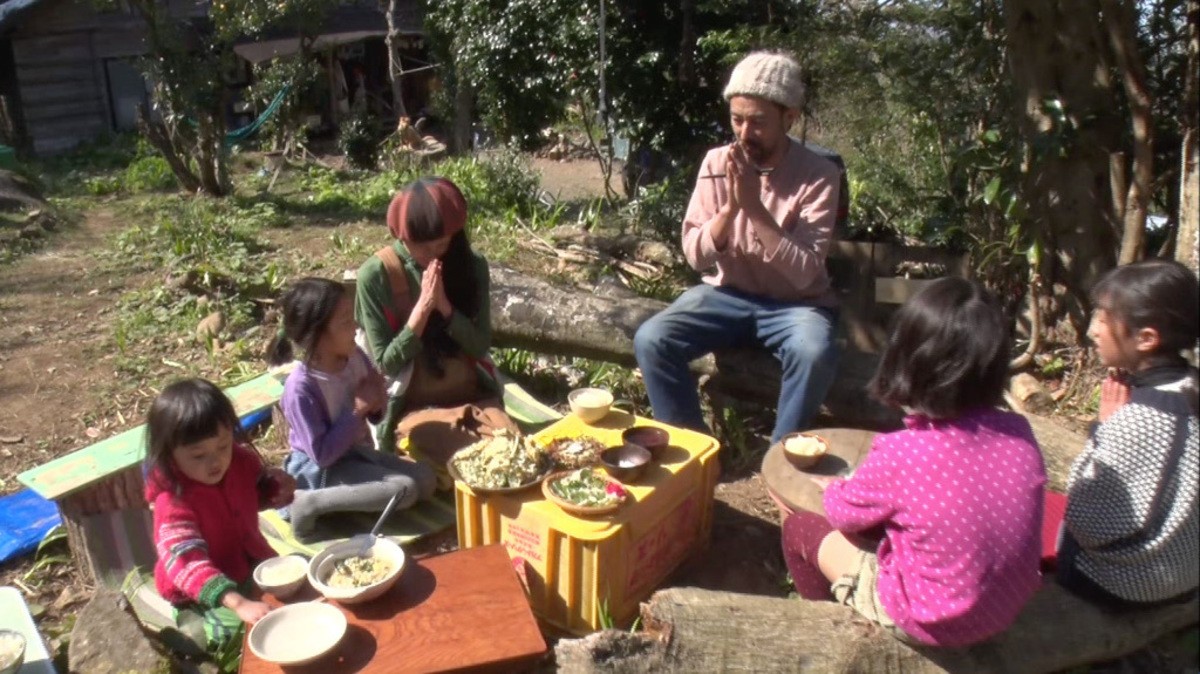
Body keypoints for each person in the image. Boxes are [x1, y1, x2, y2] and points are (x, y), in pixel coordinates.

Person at [779, 278, 1046, 647]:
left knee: (801, 529)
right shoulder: (1020, 434)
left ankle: (825, 636)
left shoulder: (903, 452)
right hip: (1004, 608)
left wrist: (835, 489)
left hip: (930, 620)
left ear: (906, 360)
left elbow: (843, 515)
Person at [633, 51, 842, 443]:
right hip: (725, 296)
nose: (744, 133)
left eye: (758, 122)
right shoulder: (716, 162)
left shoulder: (819, 175)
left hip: (796, 306)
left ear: (789, 118)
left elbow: (804, 273)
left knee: (814, 353)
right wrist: (729, 209)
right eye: (737, 119)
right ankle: (696, 452)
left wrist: (755, 208)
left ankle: (781, 462)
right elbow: (696, 256)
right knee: (652, 339)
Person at [1057, 259, 1199, 609]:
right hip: (1189, 574)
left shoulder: (1137, 419)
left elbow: (1088, 523)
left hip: (1133, 586)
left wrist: (1103, 429)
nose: (1094, 331)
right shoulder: (1192, 387)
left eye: (1104, 320)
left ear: (1146, 338)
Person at [354, 176, 514, 463]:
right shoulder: (376, 275)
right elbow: (385, 363)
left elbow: (479, 346)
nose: (432, 255)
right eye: (422, 248)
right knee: (464, 461)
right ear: (402, 238)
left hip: (471, 394)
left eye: (440, 245)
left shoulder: (470, 265)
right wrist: (422, 310)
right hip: (413, 406)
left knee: (512, 451)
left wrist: (446, 308)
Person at [267, 277, 437, 540]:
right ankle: (309, 504)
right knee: (405, 489)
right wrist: (357, 410)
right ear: (318, 336)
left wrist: (377, 400)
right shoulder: (301, 388)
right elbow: (321, 455)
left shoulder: (354, 356)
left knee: (426, 479)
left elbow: (375, 413)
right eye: (346, 322)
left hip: (356, 454)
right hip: (320, 470)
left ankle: (348, 500)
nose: (356, 326)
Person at [144, 378, 296, 653]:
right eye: (198, 455)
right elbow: (187, 562)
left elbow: (249, 494)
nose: (215, 462)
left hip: (250, 563)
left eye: (223, 446)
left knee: (299, 598)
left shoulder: (238, 461)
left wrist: (275, 489)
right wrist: (238, 603)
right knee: (227, 640)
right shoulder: (173, 502)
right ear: (169, 454)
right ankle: (191, 636)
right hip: (198, 591)